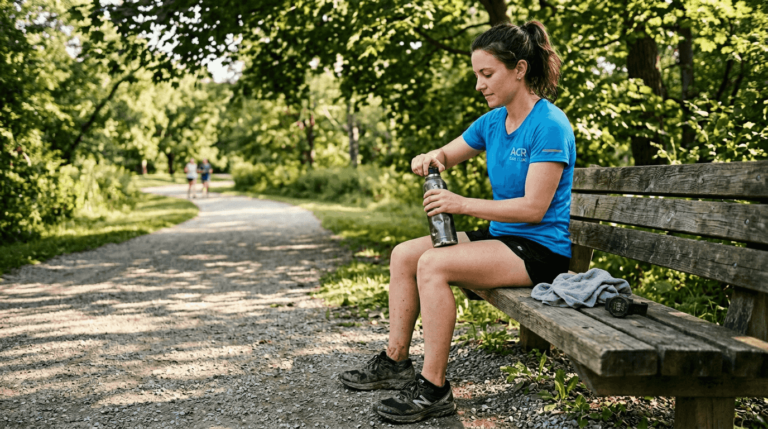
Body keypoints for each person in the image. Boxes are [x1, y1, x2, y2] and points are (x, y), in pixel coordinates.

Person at [338, 21, 575, 424]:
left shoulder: (549, 124)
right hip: (503, 239)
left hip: (540, 250)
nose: (480, 85)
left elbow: (533, 209)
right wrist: (430, 158)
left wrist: (461, 203)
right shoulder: (492, 123)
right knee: (405, 255)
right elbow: (447, 154)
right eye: (476, 76)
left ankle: (433, 389)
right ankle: (396, 361)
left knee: (433, 264)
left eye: (488, 74)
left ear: (519, 69)